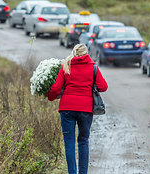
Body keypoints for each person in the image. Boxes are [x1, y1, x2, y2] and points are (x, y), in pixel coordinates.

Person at [47, 44, 108, 174]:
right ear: (86, 54)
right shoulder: (93, 68)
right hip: (85, 110)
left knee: (69, 143)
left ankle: (72, 172)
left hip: (67, 109)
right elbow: (103, 87)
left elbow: (56, 88)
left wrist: (50, 96)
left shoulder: (66, 66)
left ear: (74, 53)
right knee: (83, 141)